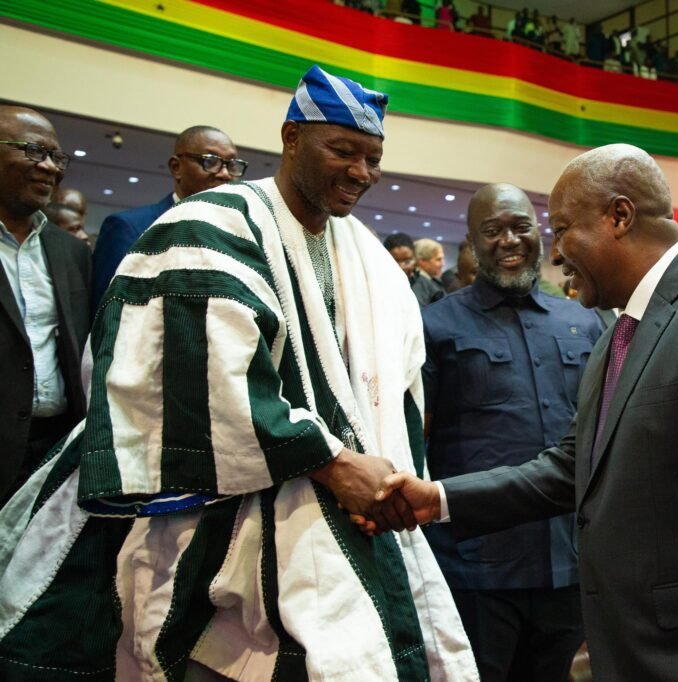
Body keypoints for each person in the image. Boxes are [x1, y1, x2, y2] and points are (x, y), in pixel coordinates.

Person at [0, 65, 477, 680]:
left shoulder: (369, 257)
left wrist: (385, 485)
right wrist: (336, 464)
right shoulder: (211, 224)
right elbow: (204, 382)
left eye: (373, 159)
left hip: (350, 510)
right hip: (211, 519)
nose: (361, 172)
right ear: (291, 138)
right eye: (343, 151)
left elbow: (399, 385)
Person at [363, 143, 678, 681]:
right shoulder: (619, 334)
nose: (555, 254)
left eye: (563, 229)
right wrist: (439, 499)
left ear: (619, 217)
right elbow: (573, 467)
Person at [421, 183, 600, 681]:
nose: (509, 240)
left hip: (566, 564)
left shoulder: (583, 321)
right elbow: (417, 439)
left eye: (521, 227)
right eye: (492, 230)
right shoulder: (434, 325)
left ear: (540, 233)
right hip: (477, 568)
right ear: (472, 242)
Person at [0, 106, 92, 504]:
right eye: (34, 151)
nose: (51, 167)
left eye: (56, 156)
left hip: (55, 450)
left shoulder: (72, 252)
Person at [91, 125, 246, 311]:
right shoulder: (129, 227)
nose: (225, 174)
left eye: (232, 164)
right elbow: (108, 309)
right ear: (176, 167)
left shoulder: (239, 235)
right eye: (211, 161)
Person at [413, 237, 446, 306]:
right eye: (438, 259)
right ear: (422, 261)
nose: (443, 264)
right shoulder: (418, 283)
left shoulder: (429, 281)